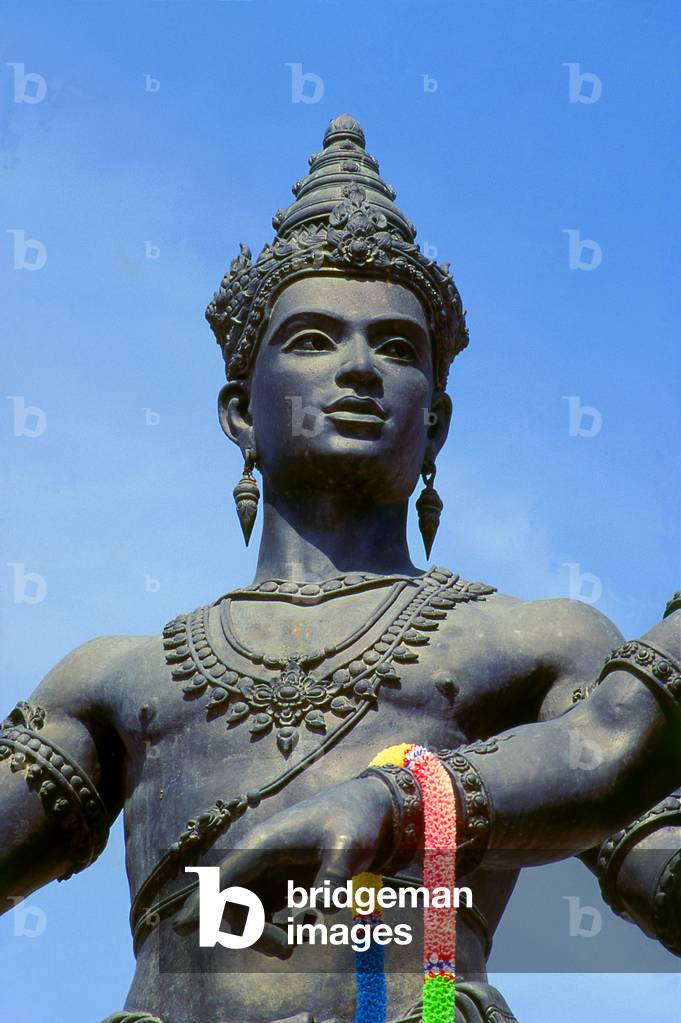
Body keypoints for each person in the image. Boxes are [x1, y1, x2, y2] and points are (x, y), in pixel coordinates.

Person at [2, 114, 680, 1023]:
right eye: (314, 339)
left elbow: (648, 843)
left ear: (435, 421)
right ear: (240, 412)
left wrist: (409, 800)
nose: (360, 369)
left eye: (397, 348)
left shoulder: (528, 644)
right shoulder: (118, 677)